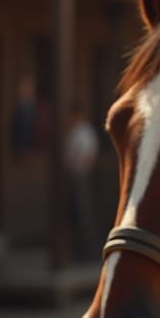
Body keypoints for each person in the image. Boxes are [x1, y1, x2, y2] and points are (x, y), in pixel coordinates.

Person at [64, 101, 99, 260]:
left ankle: (88, 249)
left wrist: (80, 165)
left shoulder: (85, 132)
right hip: (72, 175)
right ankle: (77, 248)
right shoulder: (73, 131)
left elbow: (89, 155)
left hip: (81, 175)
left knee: (84, 212)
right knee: (75, 213)